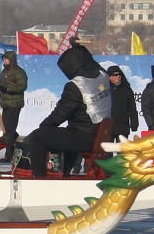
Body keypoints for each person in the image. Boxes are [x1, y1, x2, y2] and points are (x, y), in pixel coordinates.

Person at [24, 41, 110, 178]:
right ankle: (65, 174)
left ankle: (38, 178)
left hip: (83, 138)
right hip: (99, 134)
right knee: (66, 133)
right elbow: (91, 61)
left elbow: (61, 113)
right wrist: (80, 49)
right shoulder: (103, 75)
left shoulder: (76, 86)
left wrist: (43, 128)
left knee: (37, 137)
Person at [106, 65, 140, 142]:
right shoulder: (105, 90)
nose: (118, 76)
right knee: (107, 152)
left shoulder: (127, 89)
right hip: (108, 127)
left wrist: (134, 124)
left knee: (122, 152)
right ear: (109, 77)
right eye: (115, 75)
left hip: (123, 127)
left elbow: (132, 108)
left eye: (119, 74)